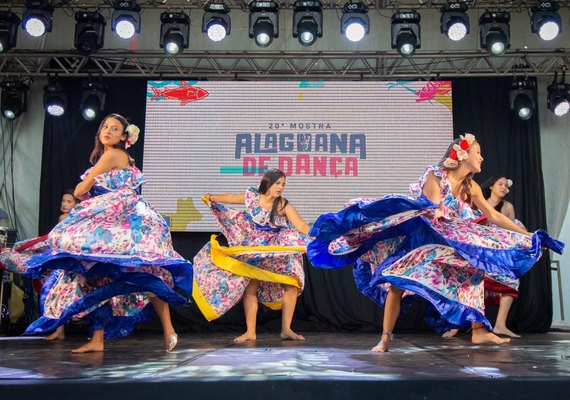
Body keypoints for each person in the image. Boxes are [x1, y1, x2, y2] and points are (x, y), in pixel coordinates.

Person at [307, 133, 564, 352]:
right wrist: (440, 208)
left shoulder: (471, 187)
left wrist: (527, 235)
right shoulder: (435, 175)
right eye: (478, 152)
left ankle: (478, 330)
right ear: (463, 155)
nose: (482, 158)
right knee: (396, 283)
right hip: (421, 239)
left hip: (448, 239)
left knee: (474, 267)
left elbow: (494, 215)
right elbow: (431, 205)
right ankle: (385, 338)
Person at [0, 114, 193, 353]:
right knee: (104, 277)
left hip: (118, 222)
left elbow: (82, 188)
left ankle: (161, 331)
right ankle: (120, 336)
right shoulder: (123, 158)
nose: (108, 131)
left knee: (121, 270)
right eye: (105, 127)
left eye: (115, 129)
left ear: (124, 137)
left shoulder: (113, 155)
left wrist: (84, 190)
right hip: (124, 221)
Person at [193, 168, 310, 343]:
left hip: (278, 246)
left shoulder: (283, 205)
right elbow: (233, 198)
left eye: (283, 184)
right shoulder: (253, 198)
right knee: (251, 286)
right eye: (278, 183)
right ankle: (250, 332)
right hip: (257, 246)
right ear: (268, 183)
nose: (281, 187)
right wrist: (212, 197)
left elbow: (300, 225)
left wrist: (317, 235)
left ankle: (286, 329)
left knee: (291, 284)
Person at [443, 176, 522, 339]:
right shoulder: (479, 203)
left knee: (512, 280)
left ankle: (500, 325)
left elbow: (513, 230)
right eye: (500, 184)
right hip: (478, 252)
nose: (503, 187)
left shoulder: (507, 207)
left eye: (505, 185)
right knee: (464, 282)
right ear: (491, 186)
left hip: (497, 253)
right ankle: (456, 325)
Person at [43, 190, 81, 341]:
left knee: (62, 294)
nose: (64, 204)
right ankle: (60, 330)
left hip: (71, 261)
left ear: (77, 204)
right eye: (63, 201)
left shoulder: (67, 218)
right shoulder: (69, 218)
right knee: (60, 294)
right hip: (70, 261)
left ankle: (61, 330)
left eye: (69, 201)